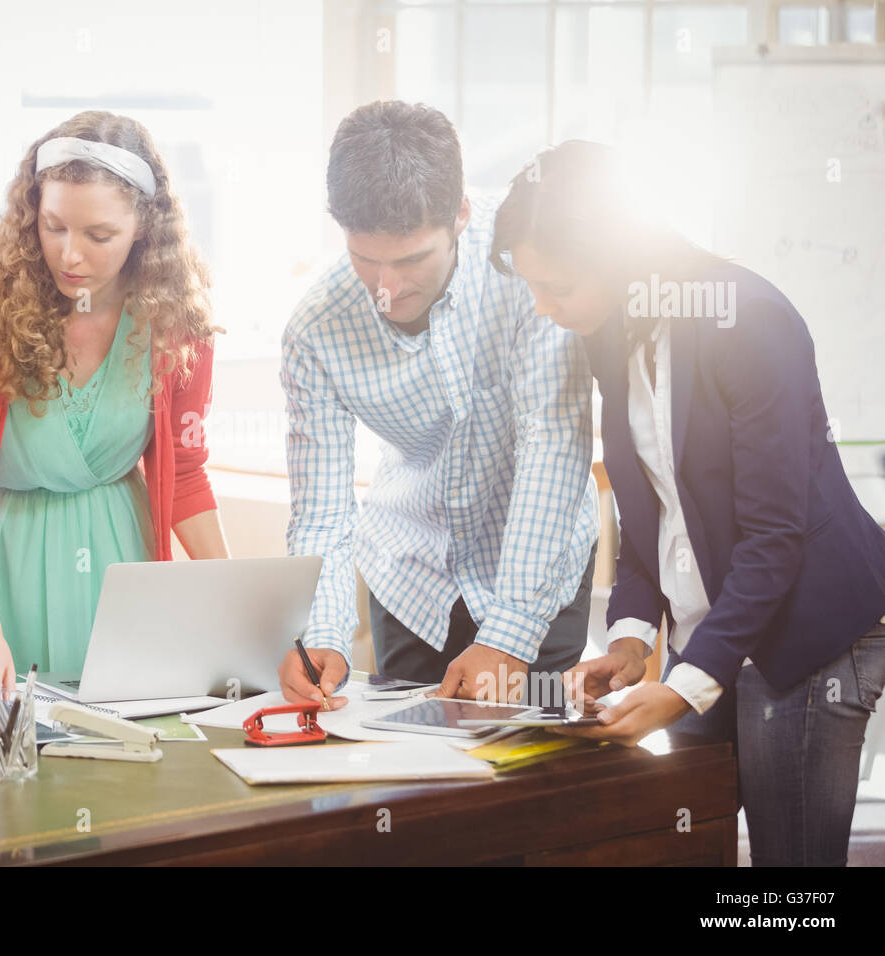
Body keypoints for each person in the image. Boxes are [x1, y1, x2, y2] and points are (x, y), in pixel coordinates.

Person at [492, 139, 885, 865]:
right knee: (682, 833)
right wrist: (632, 639)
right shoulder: (607, 330)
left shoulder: (751, 320)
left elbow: (775, 537)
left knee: (790, 876)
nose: (543, 309)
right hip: (721, 627)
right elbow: (650, 509)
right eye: (533, 287)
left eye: (558, 287)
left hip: (810, 626)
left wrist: (683, 687)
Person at [276, 101, 599, 709]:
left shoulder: (527, 270)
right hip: (413, 579)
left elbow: (554, 445)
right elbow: (321, 512)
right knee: (415, 785)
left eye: (410, 261)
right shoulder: (315, 329)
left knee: (528, 780)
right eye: (364, 259)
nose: (386, 288)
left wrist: (509, 635)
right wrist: (322, 634)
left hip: (537, 569)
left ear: (460, 216)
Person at [0, 111, 228, 709]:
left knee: (121, 767)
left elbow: (183, 474)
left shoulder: (175, 318)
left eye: (98, 236)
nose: (69, 254)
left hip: (119, 570)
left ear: (144, 227)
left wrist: (238, 609)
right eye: (53, 226)